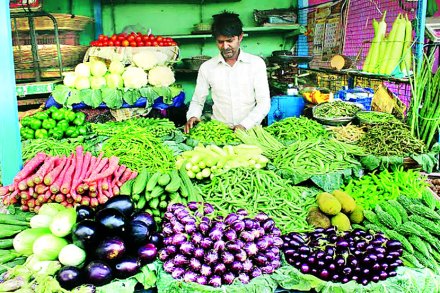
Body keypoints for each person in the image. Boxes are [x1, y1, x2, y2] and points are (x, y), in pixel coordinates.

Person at [184, 11, 271, 133]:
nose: (225, 46)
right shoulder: (207, 67)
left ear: (240, 37)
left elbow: (264, 103)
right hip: (219, 132)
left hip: (250, 131)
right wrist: (193, 116)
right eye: (220, 42)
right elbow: (198, 101)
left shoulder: (256, 64)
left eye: (230, 41)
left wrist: (244, 125)